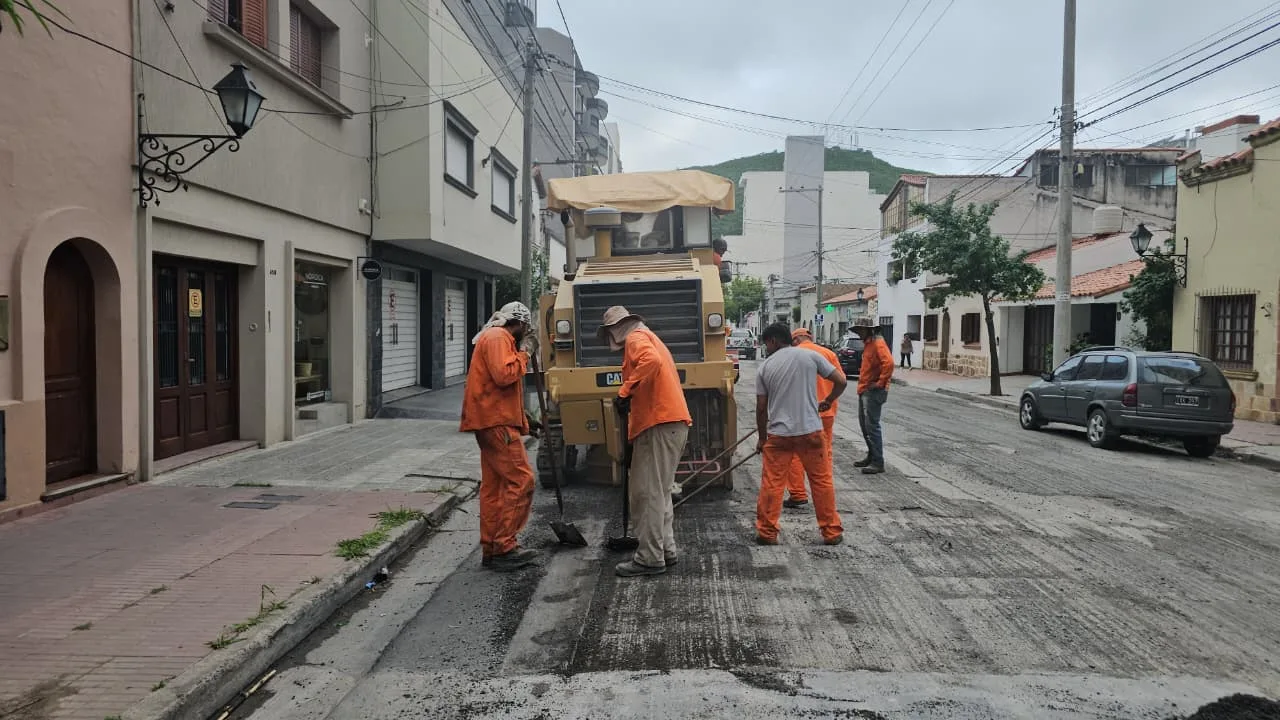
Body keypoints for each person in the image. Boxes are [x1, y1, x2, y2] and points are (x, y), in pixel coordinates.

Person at [599, 305, 692, 577]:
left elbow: (650, 362)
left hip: (659, 425)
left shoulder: (636, 338)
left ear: (616, 329)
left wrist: (625, 392)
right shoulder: (649, 337)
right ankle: (665, 550)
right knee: (659, 492)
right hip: (669, 425)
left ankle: (650, 558)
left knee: (647, 494)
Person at [459, 301, 540, 571]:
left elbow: (499, 388)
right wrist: (526, 352)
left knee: (494, 487)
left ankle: (492, 548)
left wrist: (524, 419)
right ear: (520, 324)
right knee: (522, 480)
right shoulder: (498, 337)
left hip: (491, 420)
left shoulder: (495, 337)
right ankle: (505, 546)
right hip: (495, 423)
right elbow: (505, 375)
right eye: (526, 329)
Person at [754, 323, 847, 546]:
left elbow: (761, 408)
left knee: (773, 483)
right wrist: (828, 400)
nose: (767, 348)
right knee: (821, 481)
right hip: (810, 431)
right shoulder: (810, 357)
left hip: (779, 435)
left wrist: (762, 438)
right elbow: (841, 381)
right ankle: (831, 532)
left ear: (773, 340)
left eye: (767, 344)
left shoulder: (765, 367)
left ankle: (767, 533)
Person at [783, 328, 840, 510]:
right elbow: (841, 380)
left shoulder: (793, 355)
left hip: (801, 414)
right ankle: (824, 497)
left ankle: (798, 495)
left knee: (795, 454)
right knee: (824, 454)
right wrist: (828, 400)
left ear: (796, 340)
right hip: (826, 413)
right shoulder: (828, 354)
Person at [852, 319, 895, 475]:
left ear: (869, 330)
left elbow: (889, 363)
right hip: (865, 389)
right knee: (865, 426)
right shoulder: (869, 344)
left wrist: (880, 383)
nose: (859, 333)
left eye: (861, 330)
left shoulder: (878, 343)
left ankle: (878, 462)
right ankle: (872, 456)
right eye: (858, 330)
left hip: (873, 391)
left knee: (872, 426)